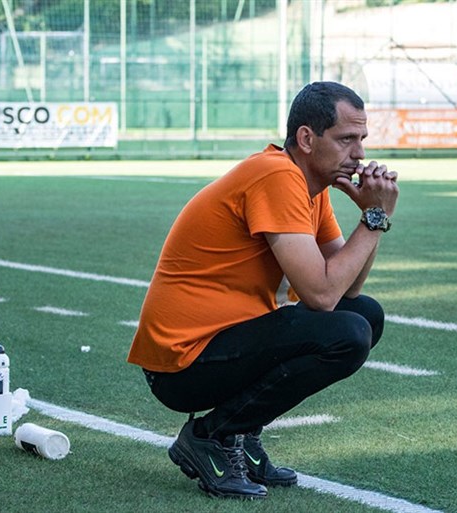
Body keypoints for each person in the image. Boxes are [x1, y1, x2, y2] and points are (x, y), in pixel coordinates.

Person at [127, 81, 399, 499]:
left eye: (361, 139)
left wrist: (371, 218)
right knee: (348, 333)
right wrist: (374, 218)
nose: (360, 153)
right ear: (307, 139)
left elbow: (346, 288)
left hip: (223, 343)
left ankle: (242, 436)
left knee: (365, 315)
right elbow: (321, 296)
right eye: (347, 139)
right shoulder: (276, 175)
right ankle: (211, 435)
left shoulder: (310, 188)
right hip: (182, 362)